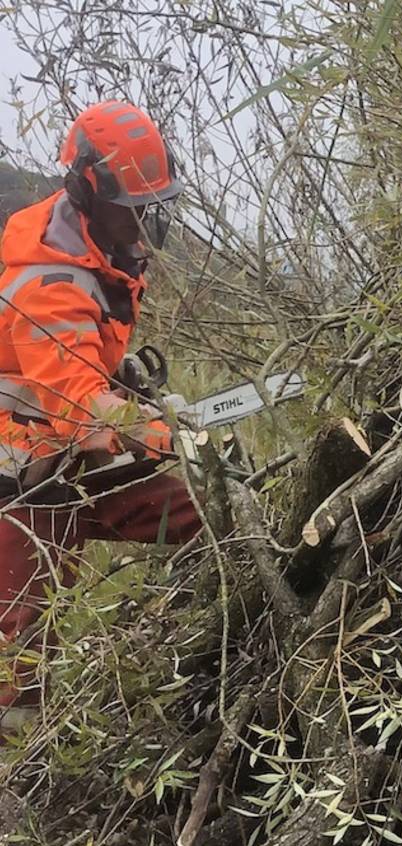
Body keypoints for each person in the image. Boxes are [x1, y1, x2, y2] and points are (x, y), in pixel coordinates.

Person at [0, 100, 201, 735]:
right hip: (19, 477)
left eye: (150, 202)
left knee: (204, 519)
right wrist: (154, 430)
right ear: (89, 188)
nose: (144, 216)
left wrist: (132, 395)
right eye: (133, 204)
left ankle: (224, 638)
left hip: (72, 459)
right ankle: (18, 777)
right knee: (18, 648)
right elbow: (79, 404)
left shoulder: (101, 252)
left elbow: (90, 376)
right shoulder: (48, 279)